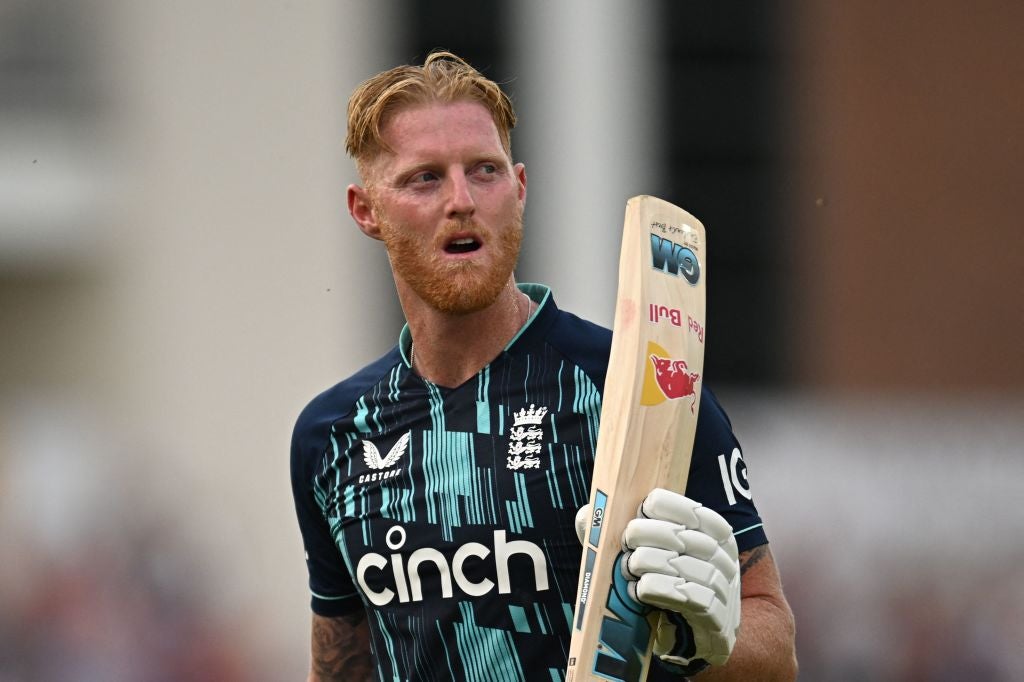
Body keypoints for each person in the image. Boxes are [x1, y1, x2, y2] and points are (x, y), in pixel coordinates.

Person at [291, 50, 797, 681]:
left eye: (484, 171)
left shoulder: (633, 383)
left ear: (520, 187)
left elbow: (775, 646)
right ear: (366, 209)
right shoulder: (333, 434)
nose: (462, 200)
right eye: (425, 178)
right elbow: (341, 668)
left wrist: (703, 644)